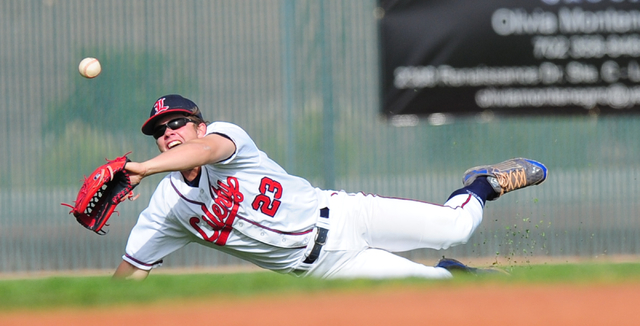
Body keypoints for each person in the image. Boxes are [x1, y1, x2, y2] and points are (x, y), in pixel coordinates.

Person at [114, 94, 548, 280]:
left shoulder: (226, 138)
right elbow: (129, 275)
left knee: (456, 230)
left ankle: (480, 186)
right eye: (160, 129)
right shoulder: (167, 210)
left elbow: (204, 152)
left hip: (343, 214)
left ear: (199, 125)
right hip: (327, 268)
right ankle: (450, 273)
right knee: (434, 291)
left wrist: (143, 167)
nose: (169, 131)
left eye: (178, 123)